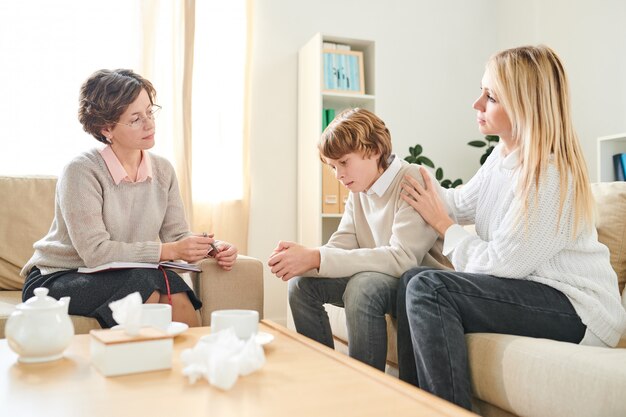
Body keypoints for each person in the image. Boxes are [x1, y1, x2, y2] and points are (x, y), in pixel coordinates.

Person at [397, 45, 626, 410]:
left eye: (490, 97)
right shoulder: (500, 158)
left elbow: (501, 264)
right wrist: (397, 173)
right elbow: (456, 204)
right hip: (531, 291)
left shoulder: (550, 174)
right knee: (412, 278)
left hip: (576, 308)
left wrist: (442, 225)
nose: (477, 104)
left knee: (430, 287)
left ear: (524, 106)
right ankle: (411, 405)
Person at [21, 69, 238, 328]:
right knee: (146, 284)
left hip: (128, 274)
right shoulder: (81, 171)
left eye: (149, 111)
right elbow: (96, 253)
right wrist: (169, 251)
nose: (149, 124)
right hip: (60, 276)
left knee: (170, 285)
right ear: (106, 128)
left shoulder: (163, 170)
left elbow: (177, 235)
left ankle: (194, 364)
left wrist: (212, 248)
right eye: (135, 118)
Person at [267, 108, 450, 370]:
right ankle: (324, 377)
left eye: (343, 162)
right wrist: (305, 259)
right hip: (384, 277)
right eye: (332, 167)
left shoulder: (412, 179)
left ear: (374, 150)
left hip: (420, 283)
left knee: (362, 286)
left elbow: (402, 259)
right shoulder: (360, 188)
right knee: (301, 284)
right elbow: (343, 242)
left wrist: (316, 257)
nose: (338, 175)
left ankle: (363, 391)